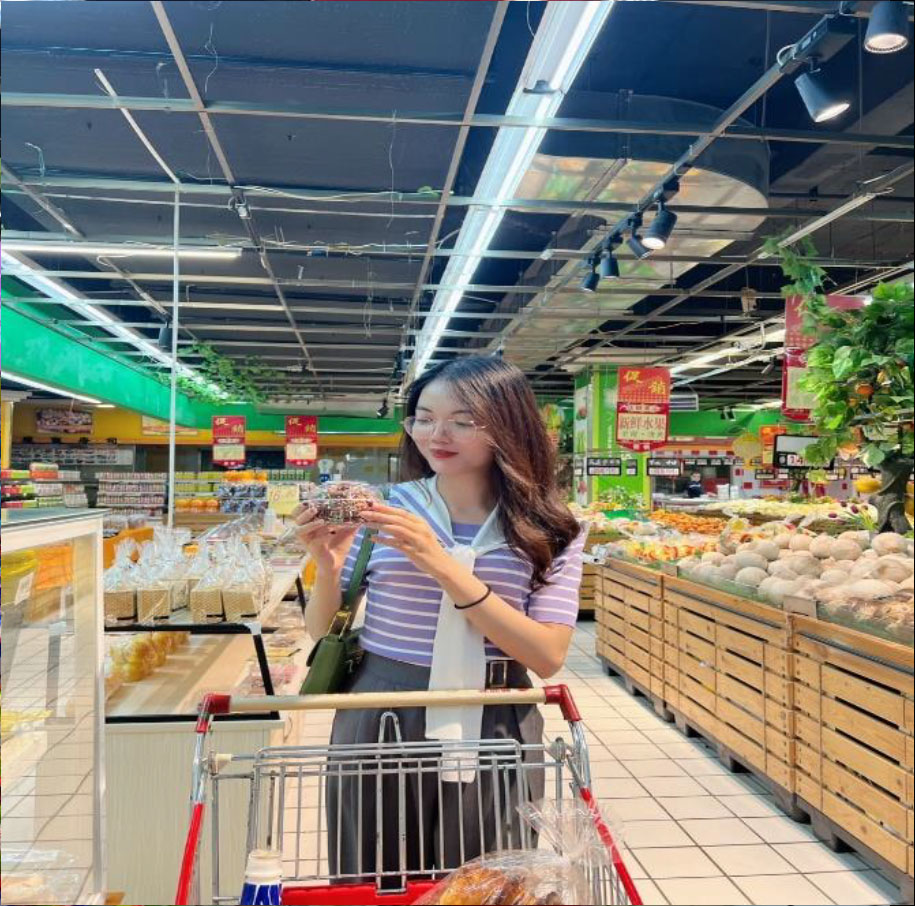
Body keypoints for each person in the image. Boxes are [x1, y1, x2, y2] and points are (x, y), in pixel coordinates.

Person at [295, 355, 585, 882]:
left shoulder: (552, 527)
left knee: (484, 881)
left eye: (462, 420)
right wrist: (327, 567)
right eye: (424, 419)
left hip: (495, 713)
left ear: (509, 424)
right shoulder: (383, 511)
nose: (437, 435)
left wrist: (444, 566)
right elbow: (321, 631)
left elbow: (546, 655)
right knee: (374, 875)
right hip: (380, 707)